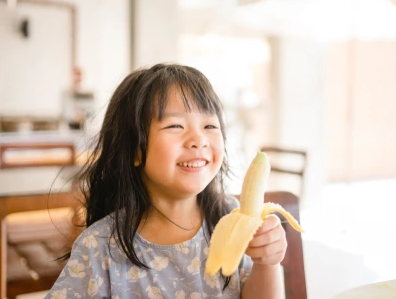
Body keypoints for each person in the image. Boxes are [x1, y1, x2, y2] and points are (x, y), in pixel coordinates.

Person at [45, 63, 287, 298]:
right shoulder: (99, 247)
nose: (199, 139)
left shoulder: (235, 220)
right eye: (176, 125)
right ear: (135, 150)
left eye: (210, 125)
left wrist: (267, 262)